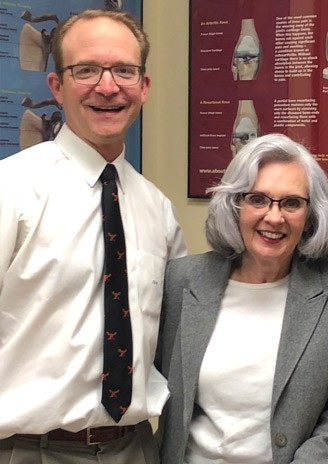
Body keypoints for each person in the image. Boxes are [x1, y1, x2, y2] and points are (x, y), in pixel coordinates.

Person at [0, 8, 186, 464]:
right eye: (86, 70)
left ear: (143, 86)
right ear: (57, 87)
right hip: (30, 450)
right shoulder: (12, 189)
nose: (108, 86)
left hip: (135, 447)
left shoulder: (157, 210)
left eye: (124, 70)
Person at [156, 133, 328, 463]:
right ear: (235, 205)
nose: (274, 217)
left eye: (292, 203)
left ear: (311, 215)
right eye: (258, 199)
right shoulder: (183, 280)